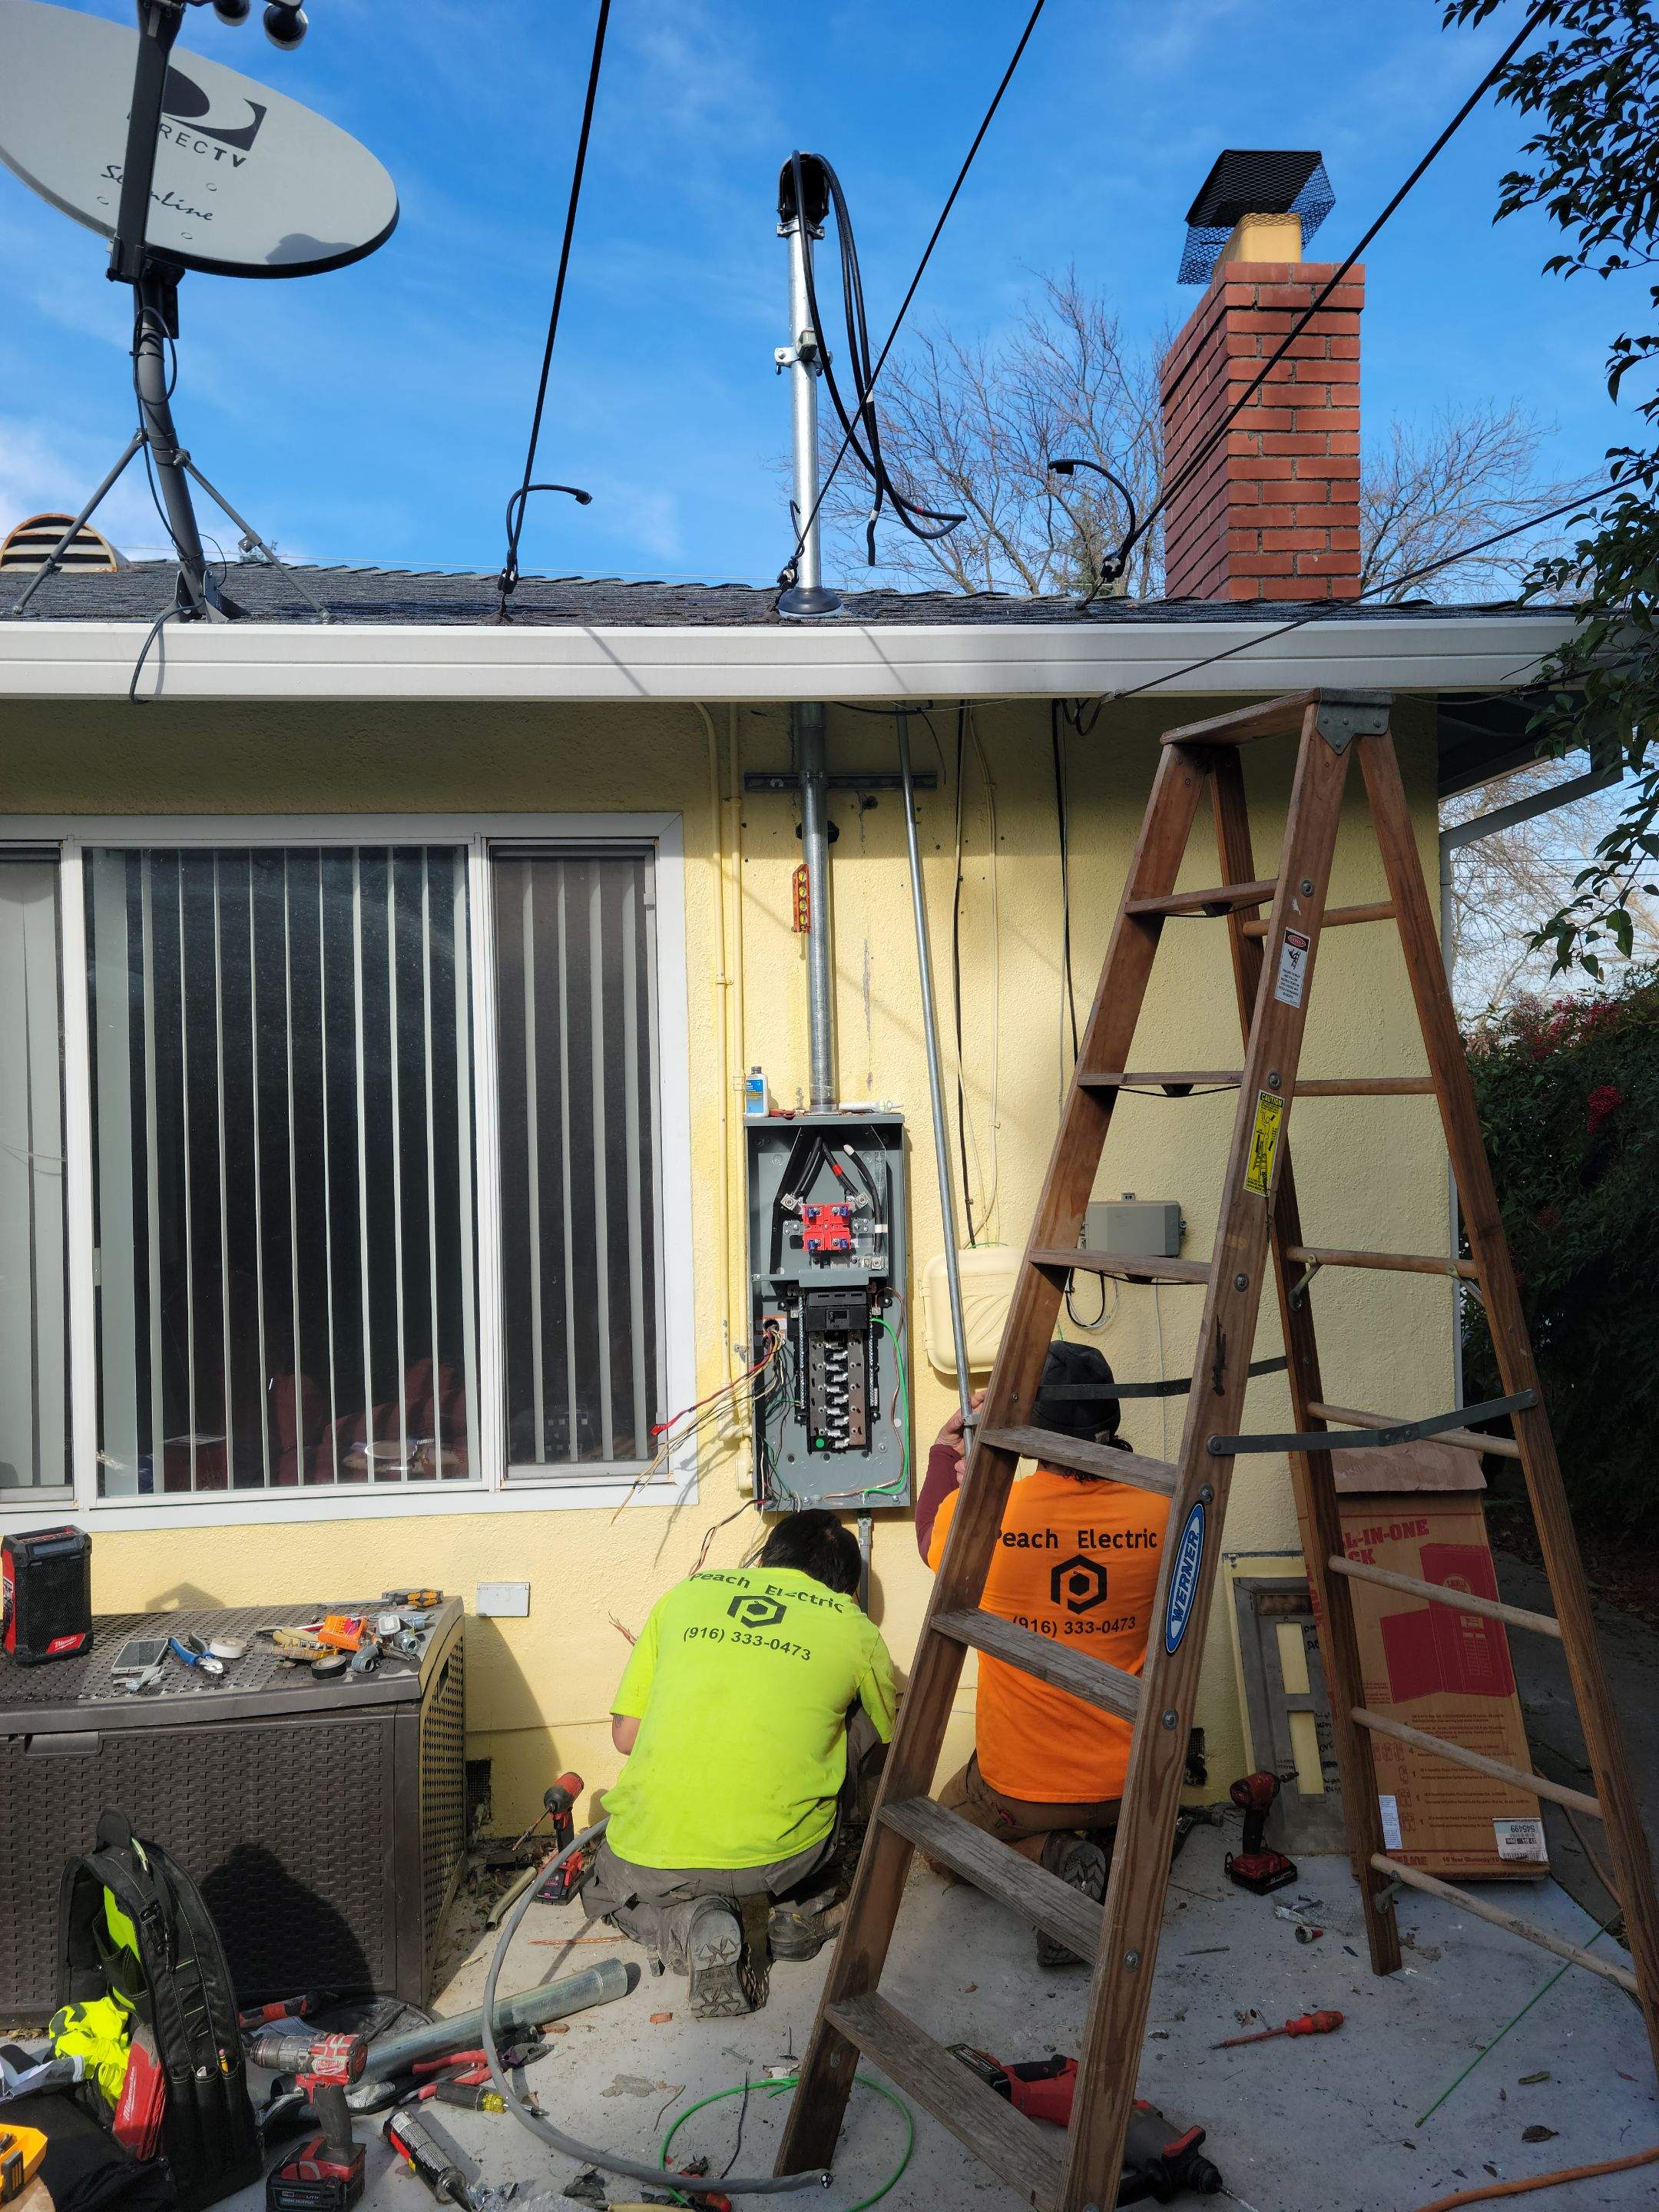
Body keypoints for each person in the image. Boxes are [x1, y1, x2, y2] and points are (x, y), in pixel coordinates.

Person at [583, 1508, 895, 2019]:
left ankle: (690, 1926)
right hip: (783, 1857)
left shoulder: (685, 1596)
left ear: (766, 1559)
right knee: (862, 1721)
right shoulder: (854, 1628)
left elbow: (625, 1738)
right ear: (846, 1588)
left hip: (653, 1856)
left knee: (606, 1889)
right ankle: (801, 1910)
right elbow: (888, 1740)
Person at [917, 1341, 1169, 1965]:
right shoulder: (1166, 1506)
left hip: (1021, 1789)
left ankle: (1051, 1859)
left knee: (939, 1835)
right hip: (1135, 1784)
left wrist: (947, 1454)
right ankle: (1102, 1846)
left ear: (1031, 1426)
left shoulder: (985, 1513)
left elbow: (928, 1540)